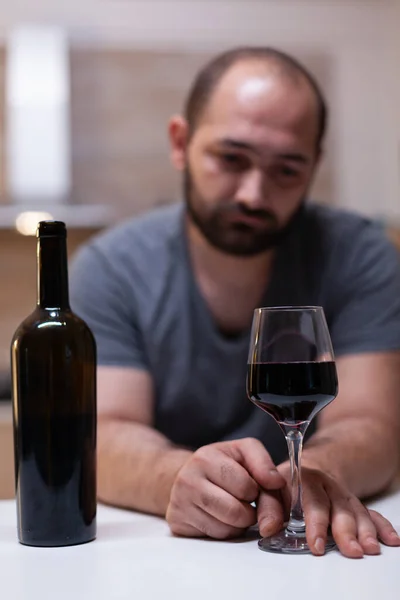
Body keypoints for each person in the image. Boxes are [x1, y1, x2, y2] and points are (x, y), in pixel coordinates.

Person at [70, 47, 400, 558]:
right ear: (180, 142)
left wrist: (309, 478)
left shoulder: (361, 257)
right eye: (231, 158)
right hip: (164, 562)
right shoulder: (110, 267)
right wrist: (176, 478)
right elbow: (106, 434)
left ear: (314, 165)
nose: (254, 193)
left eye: (287, 169)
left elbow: (372, 425)